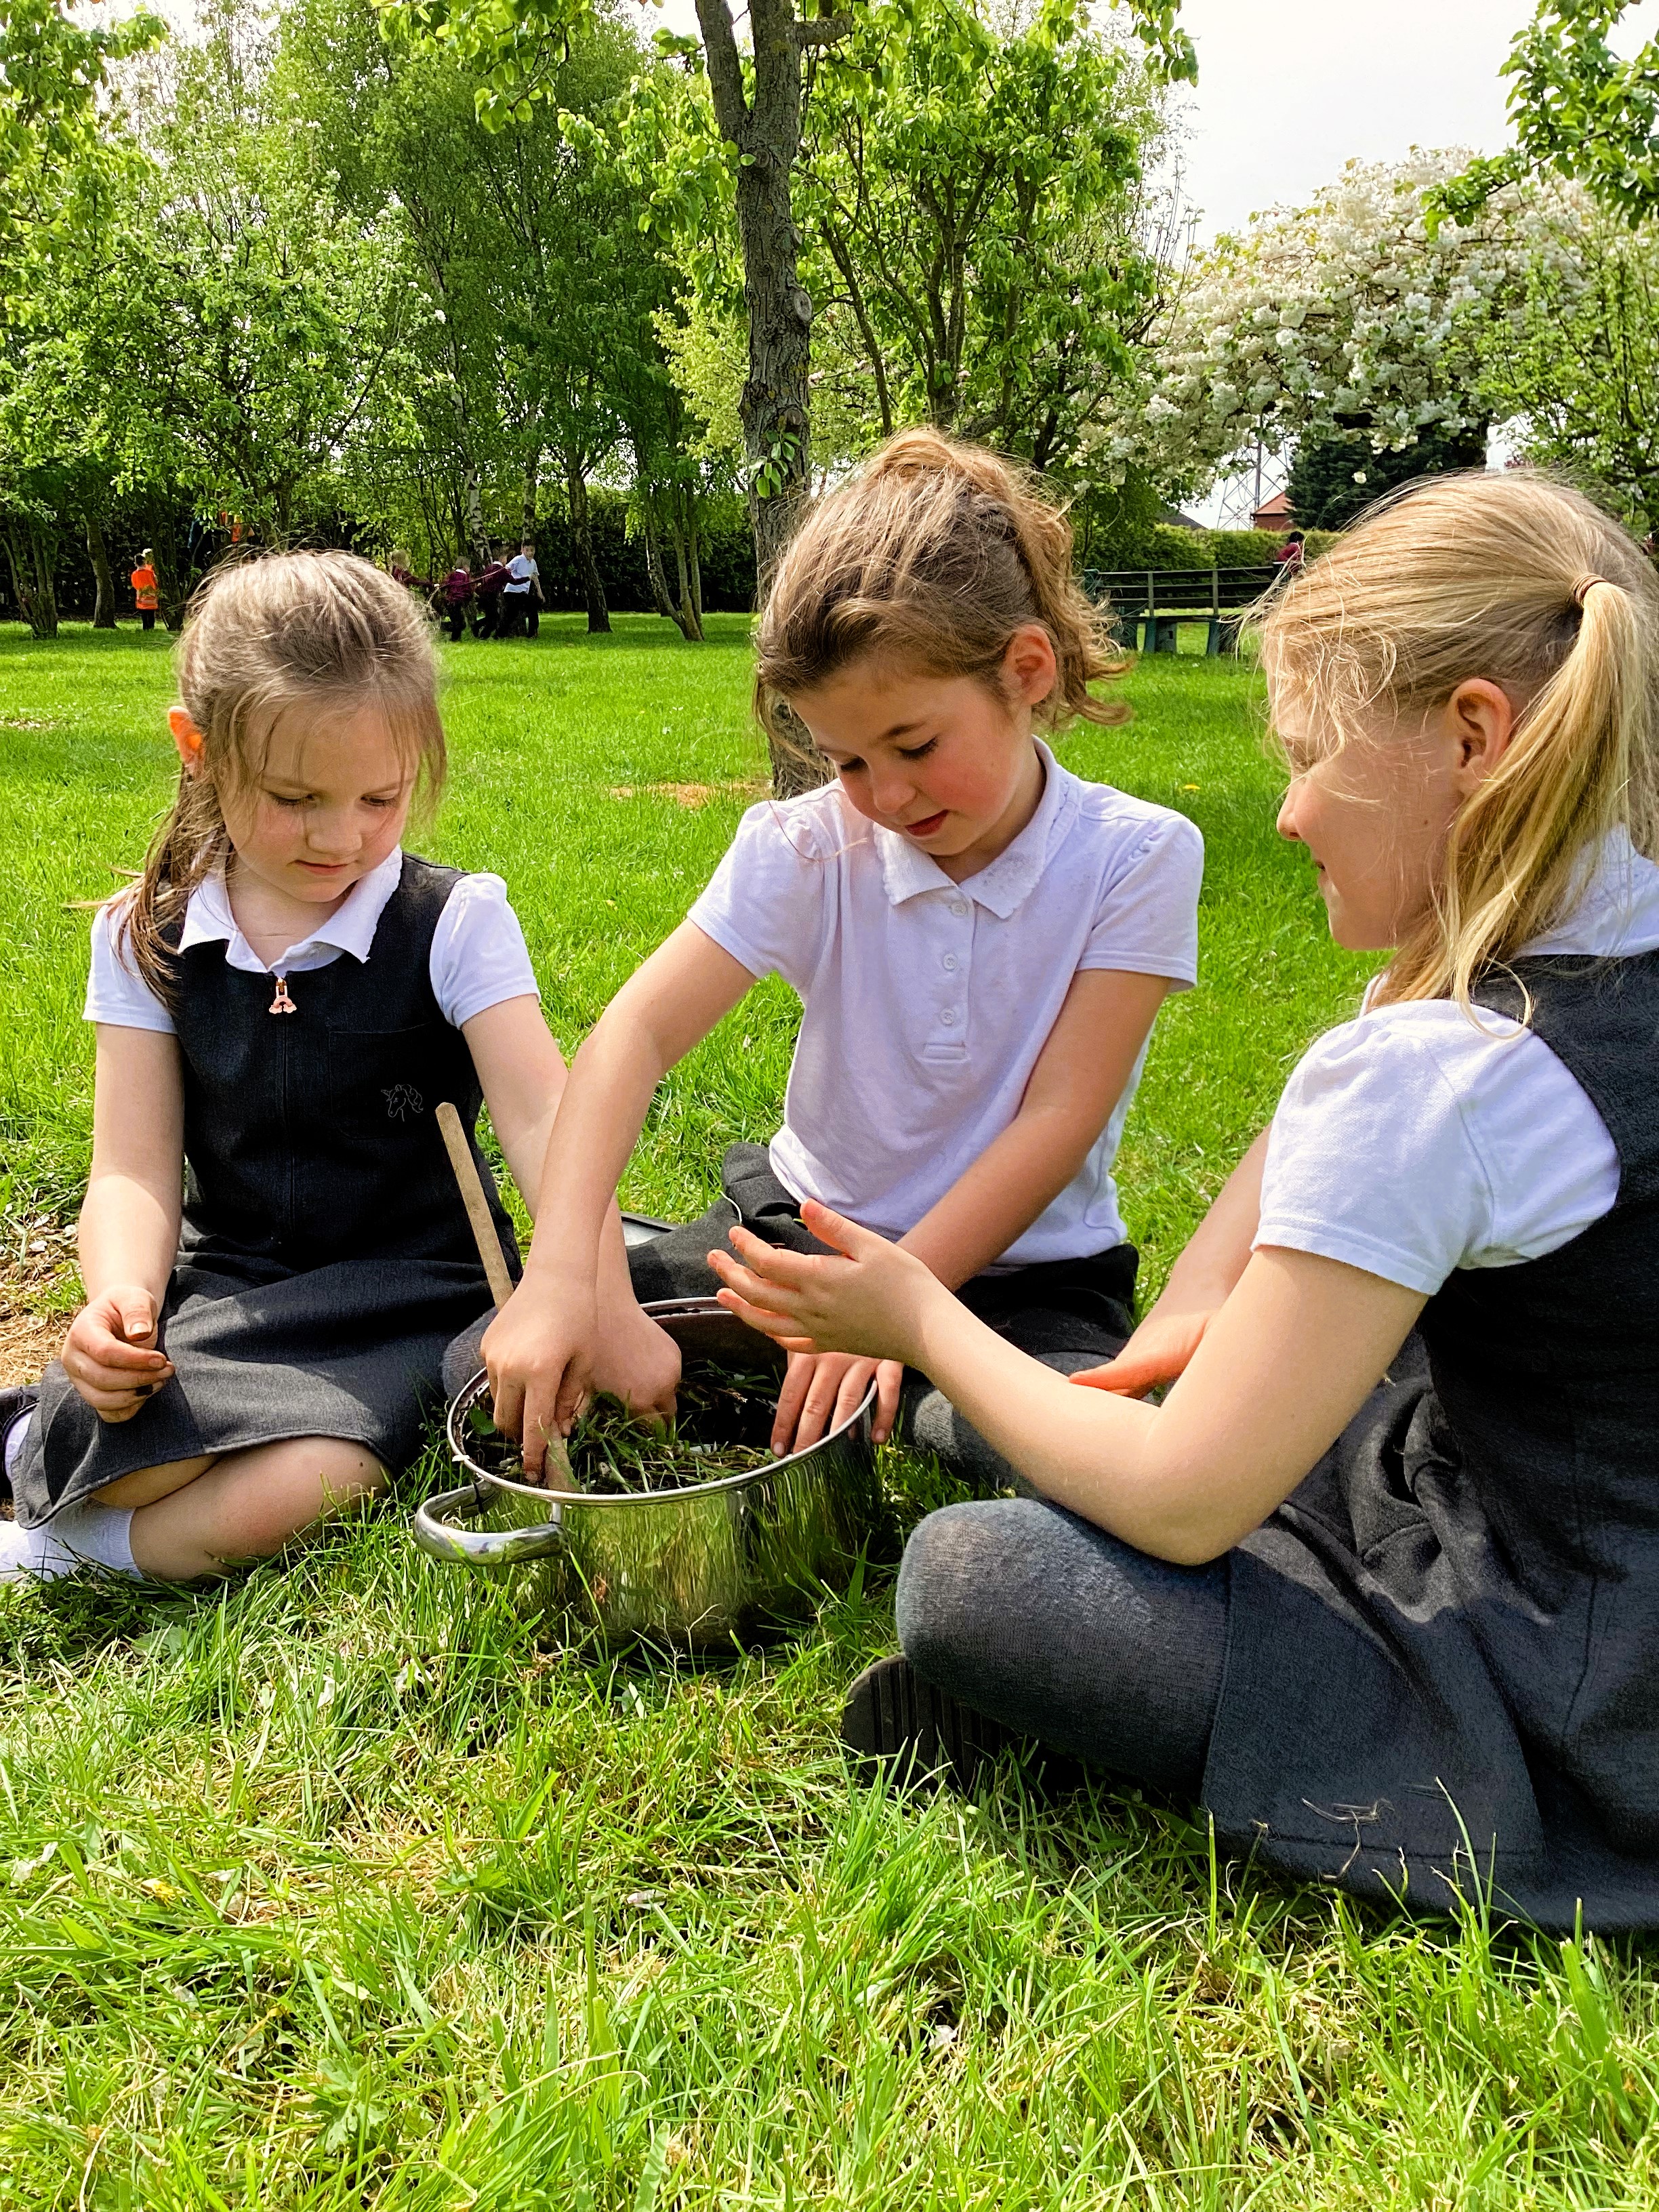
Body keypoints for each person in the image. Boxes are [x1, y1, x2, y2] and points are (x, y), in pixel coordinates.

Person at [708, 470, 1659, 1931]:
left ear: (1473, 737)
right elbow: (1317, 1106)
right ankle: (1013, 1421)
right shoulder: (1570, 950)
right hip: (1578, 1511)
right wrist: (1201, 1311)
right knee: (1133, 1405)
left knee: (977, 1580)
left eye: (1305, 758)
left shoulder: (1449, 1075)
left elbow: (1189, 1500)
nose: (1284, 814)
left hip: (1575, 1680)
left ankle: (1118, 1697)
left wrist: (921, 1320)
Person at [472, 429, 1202, 1479]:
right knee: (505, 1363)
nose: (887, 797)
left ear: (1026, 671)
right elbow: (635, 1034)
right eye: (847, 759)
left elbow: (1061, 1116)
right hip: (798, 1236)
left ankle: (896, 1399)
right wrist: (562, 1279)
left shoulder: (1136, 859)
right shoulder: (806, 847)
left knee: (1022, 1454)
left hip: (1021, 1273)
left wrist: (898, 1313)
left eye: (914, 746)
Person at [0, 551, 672, 1586]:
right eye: (295, 797)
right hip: (235, 1287)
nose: (342, 837)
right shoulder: (149, 936)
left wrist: (598, 1301)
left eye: (379, 797)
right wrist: (120, 1299)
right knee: (130, 1450)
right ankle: (45, 1458)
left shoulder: (455, 924)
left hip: (423, 1289)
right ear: (197, 748)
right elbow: (131, 1169)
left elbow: (548, 1125)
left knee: (324, 1478)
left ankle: (56, 1553)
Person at [499, 542, 544, 639]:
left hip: (522, 593)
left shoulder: (533, 563)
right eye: (527, 550)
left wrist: (540, 593)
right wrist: (512, 579)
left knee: (512, 614)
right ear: (523, 550)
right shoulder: (518, 560)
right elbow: (506, 570)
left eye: (532, 550)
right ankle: (532, 633)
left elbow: (536, 578)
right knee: (531, 607)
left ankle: (501, 634)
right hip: (512, 591)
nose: (530, 553)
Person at [474, 546, 511, 640]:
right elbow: (513, 580)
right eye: (506, 558)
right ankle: (482, 634)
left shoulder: (489, 568)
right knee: (494, 619)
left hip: (485, 595)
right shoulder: (501, 570)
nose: (506, 560)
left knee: (492, 617)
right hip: (491, 596)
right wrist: (527, 578)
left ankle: (479, 629)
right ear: (502, 558)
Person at [434, 559, 473, 644]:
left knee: (458, 622)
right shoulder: (464, 577)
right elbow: (467, 591)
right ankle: (440, 626)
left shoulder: (452, 575)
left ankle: (455, 639)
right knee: (460, 624)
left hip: (449, 602)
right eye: (468, 567)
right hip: (456, 602)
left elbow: (445, 584)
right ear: (465, 567)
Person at [131, 549, 160, 632]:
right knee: (151, 614)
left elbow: (135, 585)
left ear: (136, 563)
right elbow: (155, 581)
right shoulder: (150, 572)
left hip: (141, 595)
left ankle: (145, 628)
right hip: (151, 595)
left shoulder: (134, 574)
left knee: (144, 614)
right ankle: (151, 628)